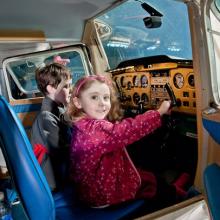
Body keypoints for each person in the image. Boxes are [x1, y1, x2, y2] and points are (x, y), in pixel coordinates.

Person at [66, 75, 190, 209]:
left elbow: (112, 132)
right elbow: (128, 129)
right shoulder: (95, 129)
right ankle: (184, 198)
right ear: (78, 102)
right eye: (94, 97)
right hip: (104, 195)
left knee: (146, 175)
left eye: (106, 97)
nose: (102, 103)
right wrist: (159, 112)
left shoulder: (82, 125)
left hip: (92, 188)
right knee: (155, 183)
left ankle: (173, 188)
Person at [31, 63, 72, 191]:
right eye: (66, 86)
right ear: (50, 89)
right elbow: (63, 152)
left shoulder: (57, 110)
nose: (70, 90)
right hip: (55, 180)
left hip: (61, 170)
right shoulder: (46, 117)